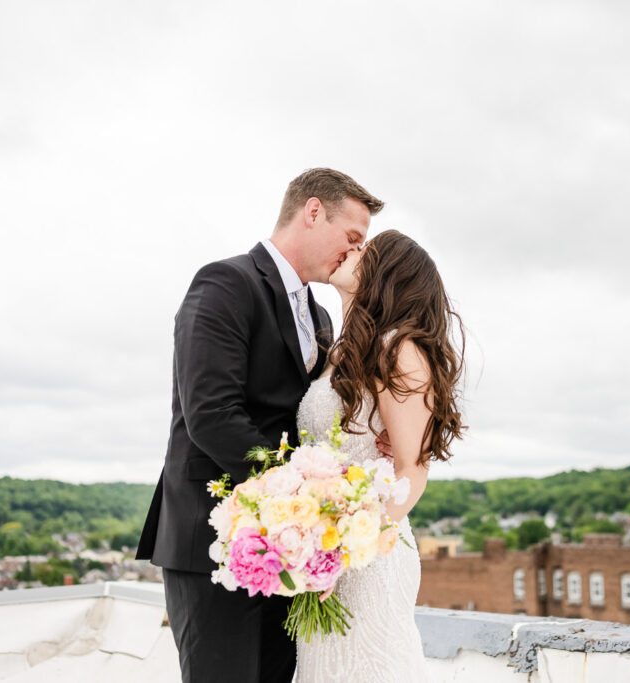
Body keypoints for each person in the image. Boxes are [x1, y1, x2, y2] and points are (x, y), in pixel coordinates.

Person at [135, 168, 384, 683]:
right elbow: (212, 415)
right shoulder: (225, 283)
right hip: (214, 540)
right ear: (313, 212)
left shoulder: (319, 316)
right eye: (352, 237)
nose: (353, 252)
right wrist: (307, 495)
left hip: (290, 548)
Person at [295, 229, 466, 682]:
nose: (351, 249)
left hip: (370, 557)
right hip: (325, 553)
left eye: (364, 250)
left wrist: (345, 553)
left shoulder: (395, 348)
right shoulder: (339, 350)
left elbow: (414, 469)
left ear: (388, 274)